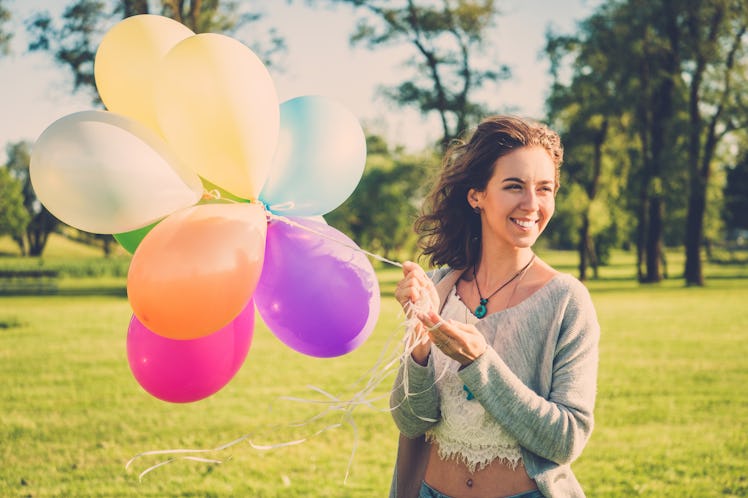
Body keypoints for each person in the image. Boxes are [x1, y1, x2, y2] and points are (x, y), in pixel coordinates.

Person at [389, 115, 600, 498]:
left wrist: (478, 362)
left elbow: (565, 440)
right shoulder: (439, 288)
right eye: (514, 186)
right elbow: (410, 421)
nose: (532, 204)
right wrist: (419, 347)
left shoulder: (567, 301)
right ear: (477, 195)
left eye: (545, 188)